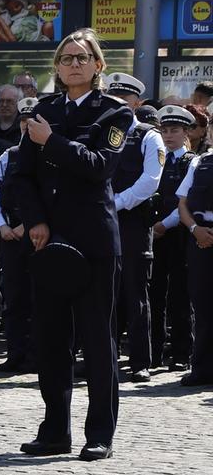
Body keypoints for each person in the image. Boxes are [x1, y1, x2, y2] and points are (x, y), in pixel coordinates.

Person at [11, 29, 132, 461]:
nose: (74, 64)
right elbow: (20, 176)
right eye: (66, 58)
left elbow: (100, 168)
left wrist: (53, 142)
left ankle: (99, 432)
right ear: (57, 69)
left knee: (99, 342)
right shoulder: (43, 110)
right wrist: (36, 221)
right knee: (51, 339)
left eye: (83, 57)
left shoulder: (114, 114)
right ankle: (54, 430)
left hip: (94, 242)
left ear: (98, 65)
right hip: (48, 241)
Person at [102, 73, 164, 381]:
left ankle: (140, 361)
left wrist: (116, 202)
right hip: (100, 223)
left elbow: (151, 181)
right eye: (114, 99)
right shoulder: (101, 133)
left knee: (136, 295)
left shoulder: (149, 136)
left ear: (137, 103)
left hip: (132, 224)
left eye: (125, 100)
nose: (119, 105)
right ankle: (103, 360)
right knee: (102, 295)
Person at [0, 98, 39, 375]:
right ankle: (15, 353)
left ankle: (34, 356)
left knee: (36, 298)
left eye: (31, 121)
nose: (26, 126)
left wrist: (26, 225)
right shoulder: (9, 155)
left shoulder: (48, 154)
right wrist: (2, 226)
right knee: (13, 297)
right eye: (23, 122)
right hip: (9, 235)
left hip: (37, 235)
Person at [151, 103, 200, 372]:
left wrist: (163, 225)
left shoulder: (190, 162)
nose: (169, 136)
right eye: (165, 130)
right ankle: (154, 350)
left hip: (179, 235)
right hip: (155, 236)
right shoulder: (155, 158)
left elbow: (187, 201)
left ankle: (182, 352)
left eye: (175, 130)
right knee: (154, 294)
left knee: (180, 296)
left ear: (186, 134)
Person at [175, 109, 213, 385]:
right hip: (200, 239)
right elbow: (183, 204)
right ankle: (201, 367)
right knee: (202, 305)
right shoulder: (200, 162)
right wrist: (194, 229)